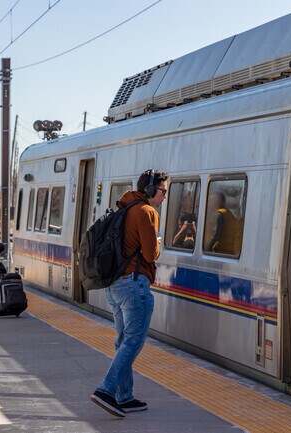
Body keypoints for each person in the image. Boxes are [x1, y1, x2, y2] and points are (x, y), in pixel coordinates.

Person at [90, 169, 169, 418]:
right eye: (163, 190)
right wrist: (158, 243)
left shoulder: (125, 208)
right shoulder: (146, 212)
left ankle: (124, 396)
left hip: (117, 285)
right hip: (135, 286)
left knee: (123, 340)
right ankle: (107, 390)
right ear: (150, 190)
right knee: (133, 341)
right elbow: (150, 255)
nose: (165, 195)